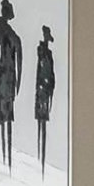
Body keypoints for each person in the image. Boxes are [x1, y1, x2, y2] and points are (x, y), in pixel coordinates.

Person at [0, 0, 21, 166]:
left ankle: (7, 153)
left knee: (8, 113)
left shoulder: (11, 32)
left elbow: (18, 58)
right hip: (5, 73)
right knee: (4, 113)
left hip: (8, 74)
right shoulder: (1, 26)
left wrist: (16, 78)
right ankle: (5, 154)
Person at [32, 23, 56, 170]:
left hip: (46, 89)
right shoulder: (41, 50)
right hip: (42, 88)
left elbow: (51, 72)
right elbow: (43, 69)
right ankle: (39, 153)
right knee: (41, 119)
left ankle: (42, 153)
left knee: (44, 119)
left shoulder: (49, 54)